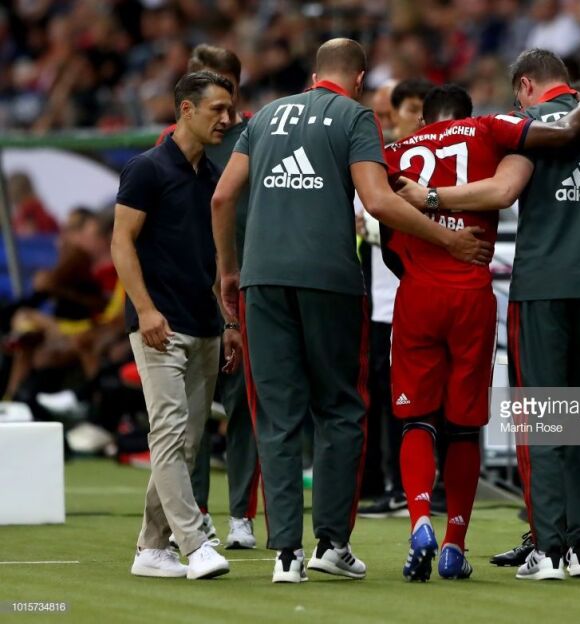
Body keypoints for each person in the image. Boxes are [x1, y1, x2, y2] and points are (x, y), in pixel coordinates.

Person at [210, 38, 491, 584]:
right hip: (329, 281)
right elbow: (380, 200)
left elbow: (222, 197)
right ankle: (331, 544)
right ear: (359, 79)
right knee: (339, 408)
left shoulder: (263, 116)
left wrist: (228, 269)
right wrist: (449, 240)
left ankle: (286, 555)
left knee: (277, 415)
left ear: (316, 73)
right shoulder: (355, 117)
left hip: (262, 280)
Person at [398, 48, 580, 581]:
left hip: (544, 289)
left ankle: (550, 550)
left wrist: (430, 196)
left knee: (545, 416)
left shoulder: (528, 126)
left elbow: (503, 191)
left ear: (525, 86)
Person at [384, 83, 580, 581]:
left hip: (417, 294)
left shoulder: (397, 151)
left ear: (424, 119)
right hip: (471, 296)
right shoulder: (488, 130)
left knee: (416, 418)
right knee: (464, 425)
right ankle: (455, 545)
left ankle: (420, 520)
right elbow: (553, 138)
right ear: (468, 113)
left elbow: (388, 237)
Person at [112, 71, 234, 580]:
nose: (227, 119)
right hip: (158, 324)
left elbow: (213, 259)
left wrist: (228, 320)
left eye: (230, 109)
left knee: (186, 443)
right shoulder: (147, 168)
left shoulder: (212, 177)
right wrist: (144, 310)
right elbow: (121, 242)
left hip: (204, 323)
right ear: (186, 109)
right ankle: (195, 542)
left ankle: (150, 548)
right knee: (168, 432)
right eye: (217, 109)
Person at [156, 44, 260, 551]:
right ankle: (195, 513)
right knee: (188, 413)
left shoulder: (258, 135)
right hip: (192, 289)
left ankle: (241, 514)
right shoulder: (169, 147)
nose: (219, 108)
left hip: (243, 285)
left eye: (224, 91)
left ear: (235, 88)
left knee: (242, 405)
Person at [357, 78, 433, 519]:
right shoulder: (379, 160)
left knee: (424, 395)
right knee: (387, 396)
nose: (415, 118)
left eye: (421, 109)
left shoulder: (436, 158)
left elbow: (370, 221)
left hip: (424, 294)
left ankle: (416, 487)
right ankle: (393, 484)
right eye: (407, 110)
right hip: (385, 300)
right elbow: (364, 220)